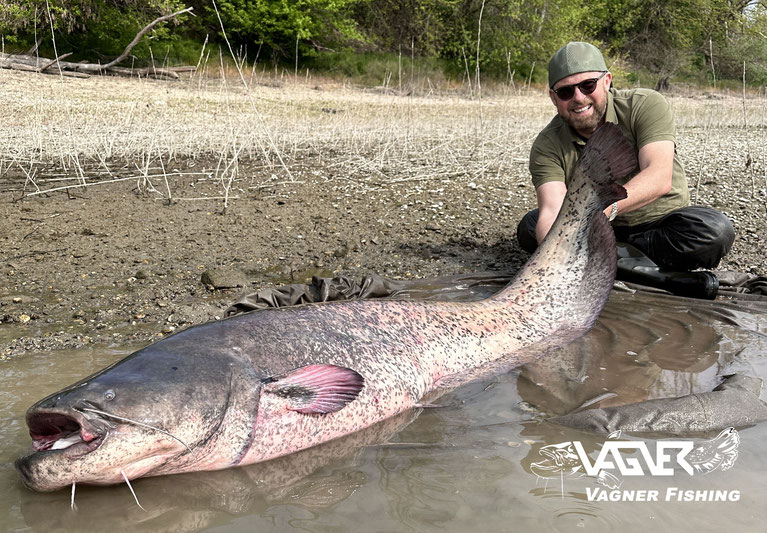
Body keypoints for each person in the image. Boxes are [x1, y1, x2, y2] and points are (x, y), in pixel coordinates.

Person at [516, 42, 734, 298]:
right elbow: (552, 209)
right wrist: (552, 254)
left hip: (660, 226)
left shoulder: (645, 105)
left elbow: (659, 176)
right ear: (553, 98)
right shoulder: (546, 144)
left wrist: (604, 209)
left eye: (587, 85)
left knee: (714, 231)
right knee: (532, 228)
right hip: (594, 230)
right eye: (565, 92)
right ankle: (656, 274)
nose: (578, 97)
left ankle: (610, 262)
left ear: (607, 81)